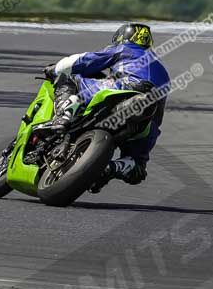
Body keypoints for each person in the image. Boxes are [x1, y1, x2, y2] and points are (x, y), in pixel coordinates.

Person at [42, 23, 170, 190]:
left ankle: (63, 115)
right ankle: (110, 169)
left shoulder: (125, 49)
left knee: (70, 78)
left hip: (124, 90)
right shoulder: (163, 72)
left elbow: (85, 60)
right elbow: (158, 116)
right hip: (147, 117)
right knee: (137, 166)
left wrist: (55, 69)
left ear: (121, 38)